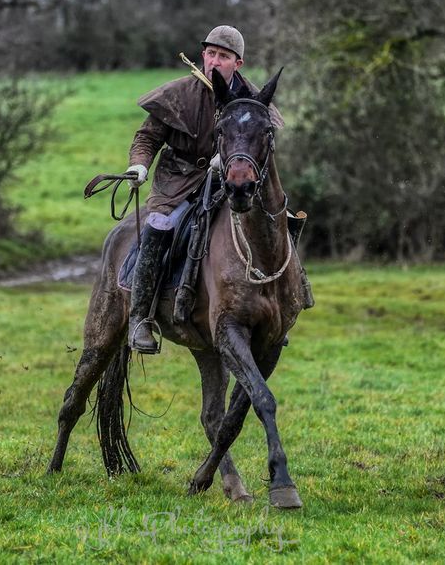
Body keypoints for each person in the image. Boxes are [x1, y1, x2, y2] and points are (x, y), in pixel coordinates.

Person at [123, 25, 310, 354]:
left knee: (282, 217)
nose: (214, 61)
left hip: (228, 184)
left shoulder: (251, 99)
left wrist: (229, 161)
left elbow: (263, 140)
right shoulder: (178, 94)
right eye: (210, 54)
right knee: (159, 226)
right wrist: (139, 165)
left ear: (237, 63)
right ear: (203, 56)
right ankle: (141, 317)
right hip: (178, 182)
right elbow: (147, 137)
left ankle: (288, 302)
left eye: (223, 56)